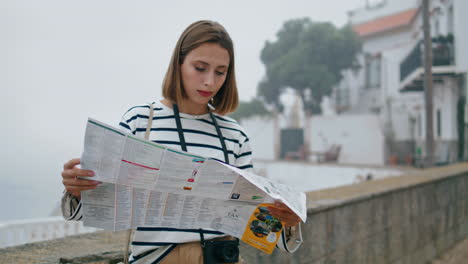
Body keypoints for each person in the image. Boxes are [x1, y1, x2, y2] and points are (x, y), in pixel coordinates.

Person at [61, 20, 302, 264]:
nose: (210, 81)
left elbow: (249, 221)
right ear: (179, 64)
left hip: (221, 257)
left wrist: (285, 222)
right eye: (200, 68)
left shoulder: (235, 135)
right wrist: (77, 191)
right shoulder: (141, 120)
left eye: (220, 72)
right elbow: (102, 203)